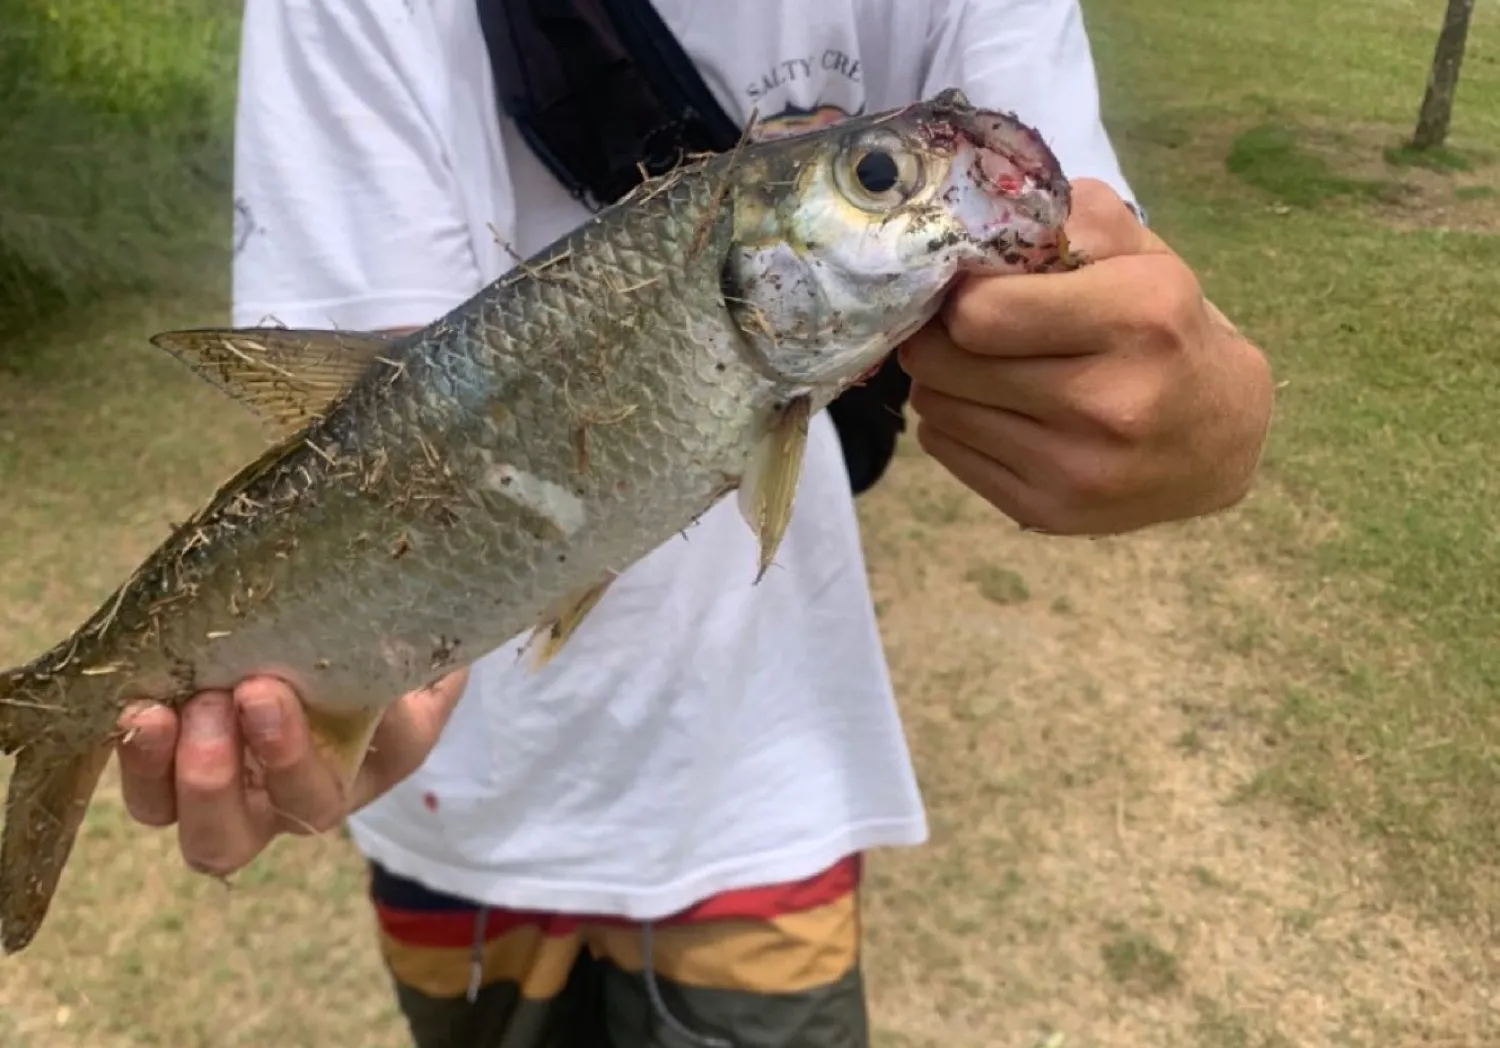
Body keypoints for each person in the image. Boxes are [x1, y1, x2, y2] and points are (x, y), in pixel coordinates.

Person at [116, 1, 1274, 1045]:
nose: (913, 190)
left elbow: (1116, 286)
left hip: (761, 782)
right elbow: (381, 438)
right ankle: (74, 690)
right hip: (456, 804)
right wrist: (340, 687)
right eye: (877, 177)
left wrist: (1217, 414)